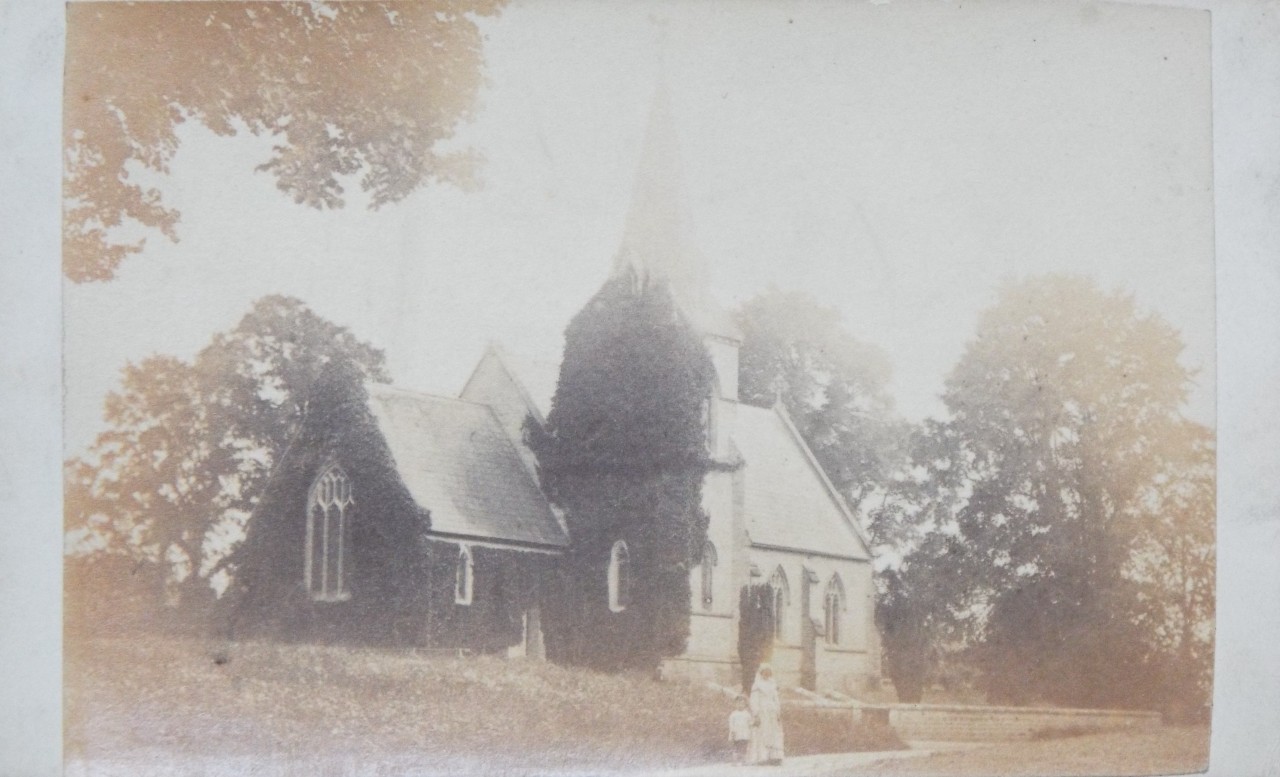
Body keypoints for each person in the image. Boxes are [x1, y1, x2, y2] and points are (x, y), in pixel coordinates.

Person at [748, 663, 784, 765]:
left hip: (772, 711)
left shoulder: (773, 684)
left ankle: (775, 756)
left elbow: (776, 699)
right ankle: (762, 757)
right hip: (762, 711)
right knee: (763, 732)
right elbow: (754, 700)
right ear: (761, 673)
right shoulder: (757, 685)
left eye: (768, 673)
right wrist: (756, 713)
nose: (766, 675)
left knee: (774, 733)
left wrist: (778, 711)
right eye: (764, 672)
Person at [728, 695, 753, 764]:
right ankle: (735, 760)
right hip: (736, 733)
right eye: (738, 703)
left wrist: (753, 724)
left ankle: (744, 760)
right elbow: (731, 723)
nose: (740, 705)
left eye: (742, 704)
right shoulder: (733, 714)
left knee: (744, 747)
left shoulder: (747, 714)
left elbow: (750, 722)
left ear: (745, 705)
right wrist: (732, 731)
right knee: (736, 747)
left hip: (744, 733)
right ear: (735, 704)